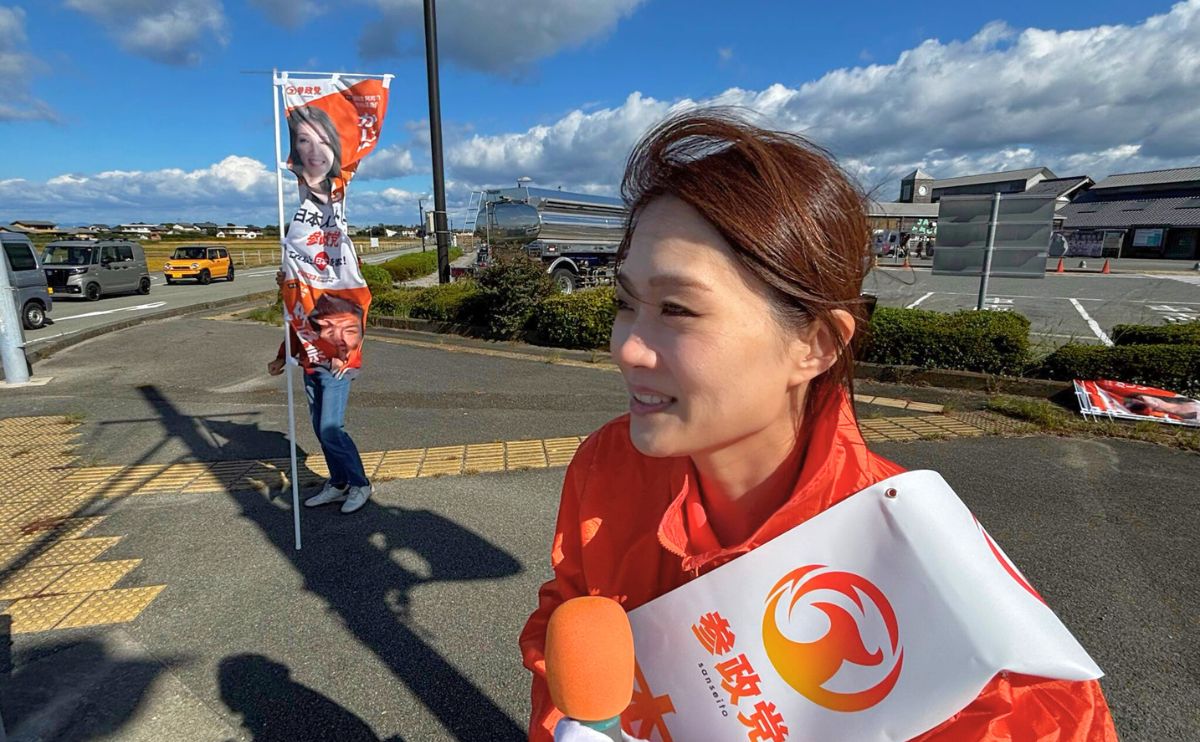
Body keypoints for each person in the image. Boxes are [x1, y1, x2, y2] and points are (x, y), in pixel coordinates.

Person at [518, 110, 1117, 741]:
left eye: (676, 308)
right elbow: (572, 623)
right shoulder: (611, 464)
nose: (628, 348)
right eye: (624, 302)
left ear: (816, 344)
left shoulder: (924, 571)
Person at [269, 280, 372, 514]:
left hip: (336, 368)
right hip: (311, 368)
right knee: (321, 430)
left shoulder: (337, 284)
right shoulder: (299, 293)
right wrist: (282, 356)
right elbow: (298, 329)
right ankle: (338, 482)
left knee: (330, 429)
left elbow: (353, 319)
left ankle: (360, 484)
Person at [287, 105, 342, 204]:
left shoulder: (339, 196)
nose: (315, 150)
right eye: (304, 140)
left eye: (324, 141)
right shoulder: (296, 195)